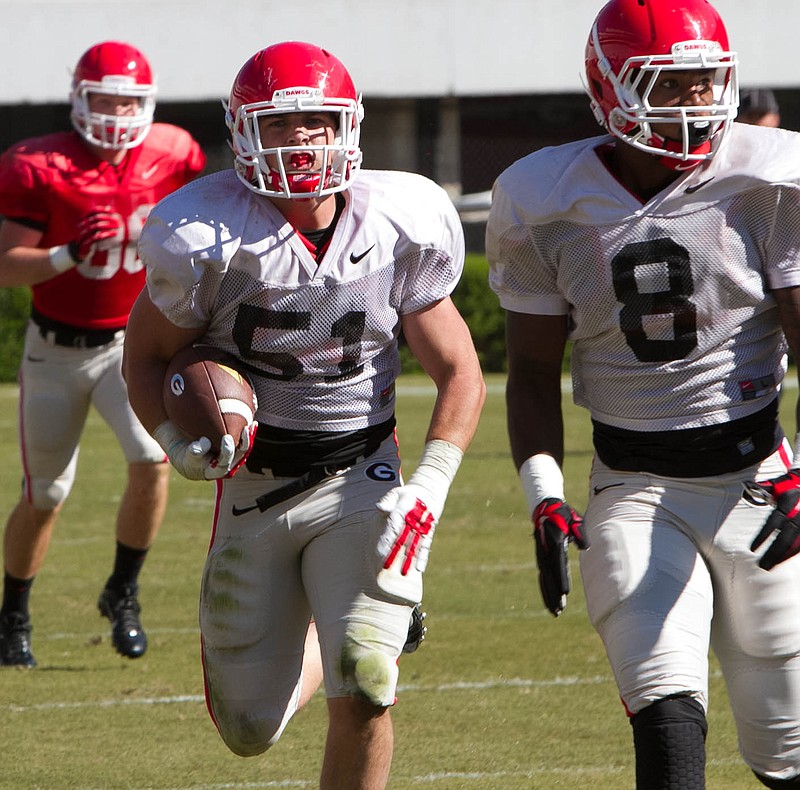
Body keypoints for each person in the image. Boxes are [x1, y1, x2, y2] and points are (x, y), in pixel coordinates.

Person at [122, 41, 485, 788]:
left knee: (369, 685)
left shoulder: (399, 217)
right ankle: (336, 617)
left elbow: (459, 370)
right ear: (241, 132)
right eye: (281, 126)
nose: (303, 141)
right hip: (254, 483)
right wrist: (170, 439)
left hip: (363, 475)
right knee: (248, 730)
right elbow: (145, 359)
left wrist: (431, 484)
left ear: (347, 126)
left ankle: (362, 627)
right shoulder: (203, 235)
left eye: (318, 122)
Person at [487, 0, 800, 787]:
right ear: (610, 88)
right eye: (672, 84)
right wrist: (544, 496)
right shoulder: (541, 195)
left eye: (706, 82)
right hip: (633, 488)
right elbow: (529, 374)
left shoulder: (770, 175)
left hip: (760, 479)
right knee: (666, 720)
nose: (696, 103)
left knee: (785, 752)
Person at [0, 41, 206, 667]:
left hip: (130, 345)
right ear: (79, 99)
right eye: (105, 99)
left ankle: (123, 590)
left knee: (153, 459)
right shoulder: (38, 164)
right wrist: (67, 256)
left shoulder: (174, 153)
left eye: (128, 100)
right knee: (46, 494)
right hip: (55, 349)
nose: (117, 112)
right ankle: (13, 613)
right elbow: (6, 265)